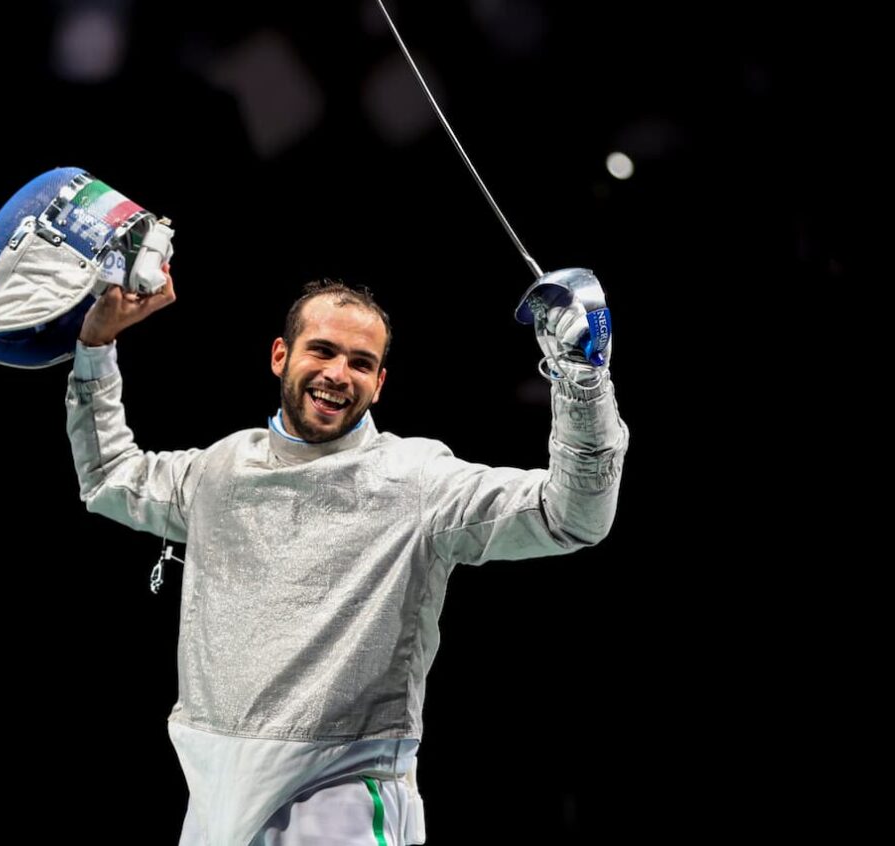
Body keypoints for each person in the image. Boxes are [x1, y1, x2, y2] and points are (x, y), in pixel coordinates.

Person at [65, 273, 629, 845]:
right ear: (280, 356)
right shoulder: (218, 470)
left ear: (379, 383)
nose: (339, 374)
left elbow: (572, 516)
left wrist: (583, 381)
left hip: (341, 801)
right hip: (211, 799)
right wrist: (95, 344)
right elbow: (109, 478)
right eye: (323, 350)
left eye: (361, 363)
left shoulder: (417, 482)